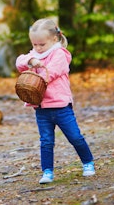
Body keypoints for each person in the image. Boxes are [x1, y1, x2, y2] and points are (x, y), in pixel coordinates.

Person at [15, 18, 95, 184]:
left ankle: (88, 162)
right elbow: (19, 62)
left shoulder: (60, 54)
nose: (37, 48)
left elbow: (49, 74)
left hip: (60, 107)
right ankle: (47, 171)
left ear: (54, 39)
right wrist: (31, 60)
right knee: (46, 141)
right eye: (34, 44)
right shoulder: (35, 54)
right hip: (41, 108)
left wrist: (37, 70)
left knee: (75, 136)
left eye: (41, 45)